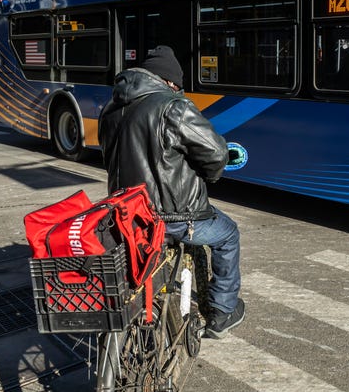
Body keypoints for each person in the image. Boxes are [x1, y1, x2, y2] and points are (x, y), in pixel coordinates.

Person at [98, 45, 245, 338]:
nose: (178, 89)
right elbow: (215, 153)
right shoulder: (173, 105)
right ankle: (222, 312)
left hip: (128, 215)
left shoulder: (111, 108)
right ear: (168, 81)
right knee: (228, 235)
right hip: (176, 216)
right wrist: (211, 175)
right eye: (177, 85)